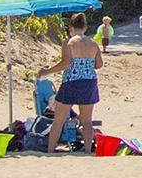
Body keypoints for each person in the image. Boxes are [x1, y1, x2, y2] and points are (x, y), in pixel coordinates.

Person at [35, 13, 102, 153]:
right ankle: (88, 151)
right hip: (89, 82)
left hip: (71, 81)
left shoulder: (69, 43)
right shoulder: (93, 43)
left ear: (71, 27)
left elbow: (65, 63)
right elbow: (99, 64)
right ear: (85, 27)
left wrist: (46, 72)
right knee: (87, 121)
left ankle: (50, 150)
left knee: (59, 120)